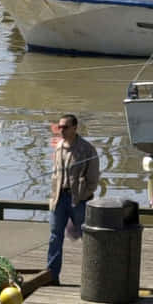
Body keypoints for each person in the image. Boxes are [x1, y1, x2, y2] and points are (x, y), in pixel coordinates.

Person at [43, 115, 99, 284]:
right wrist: (53, 197)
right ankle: (52, 276)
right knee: (55, 236)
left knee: (88, 238)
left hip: (79, 200)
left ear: (75, 128)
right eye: (60, 127)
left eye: (65, 127)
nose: (61, 130)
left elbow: (93, 178)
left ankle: (94, 276)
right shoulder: (59, 147)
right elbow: (55, 174)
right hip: (59, 198)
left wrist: (83, 194)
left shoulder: (87, 149)